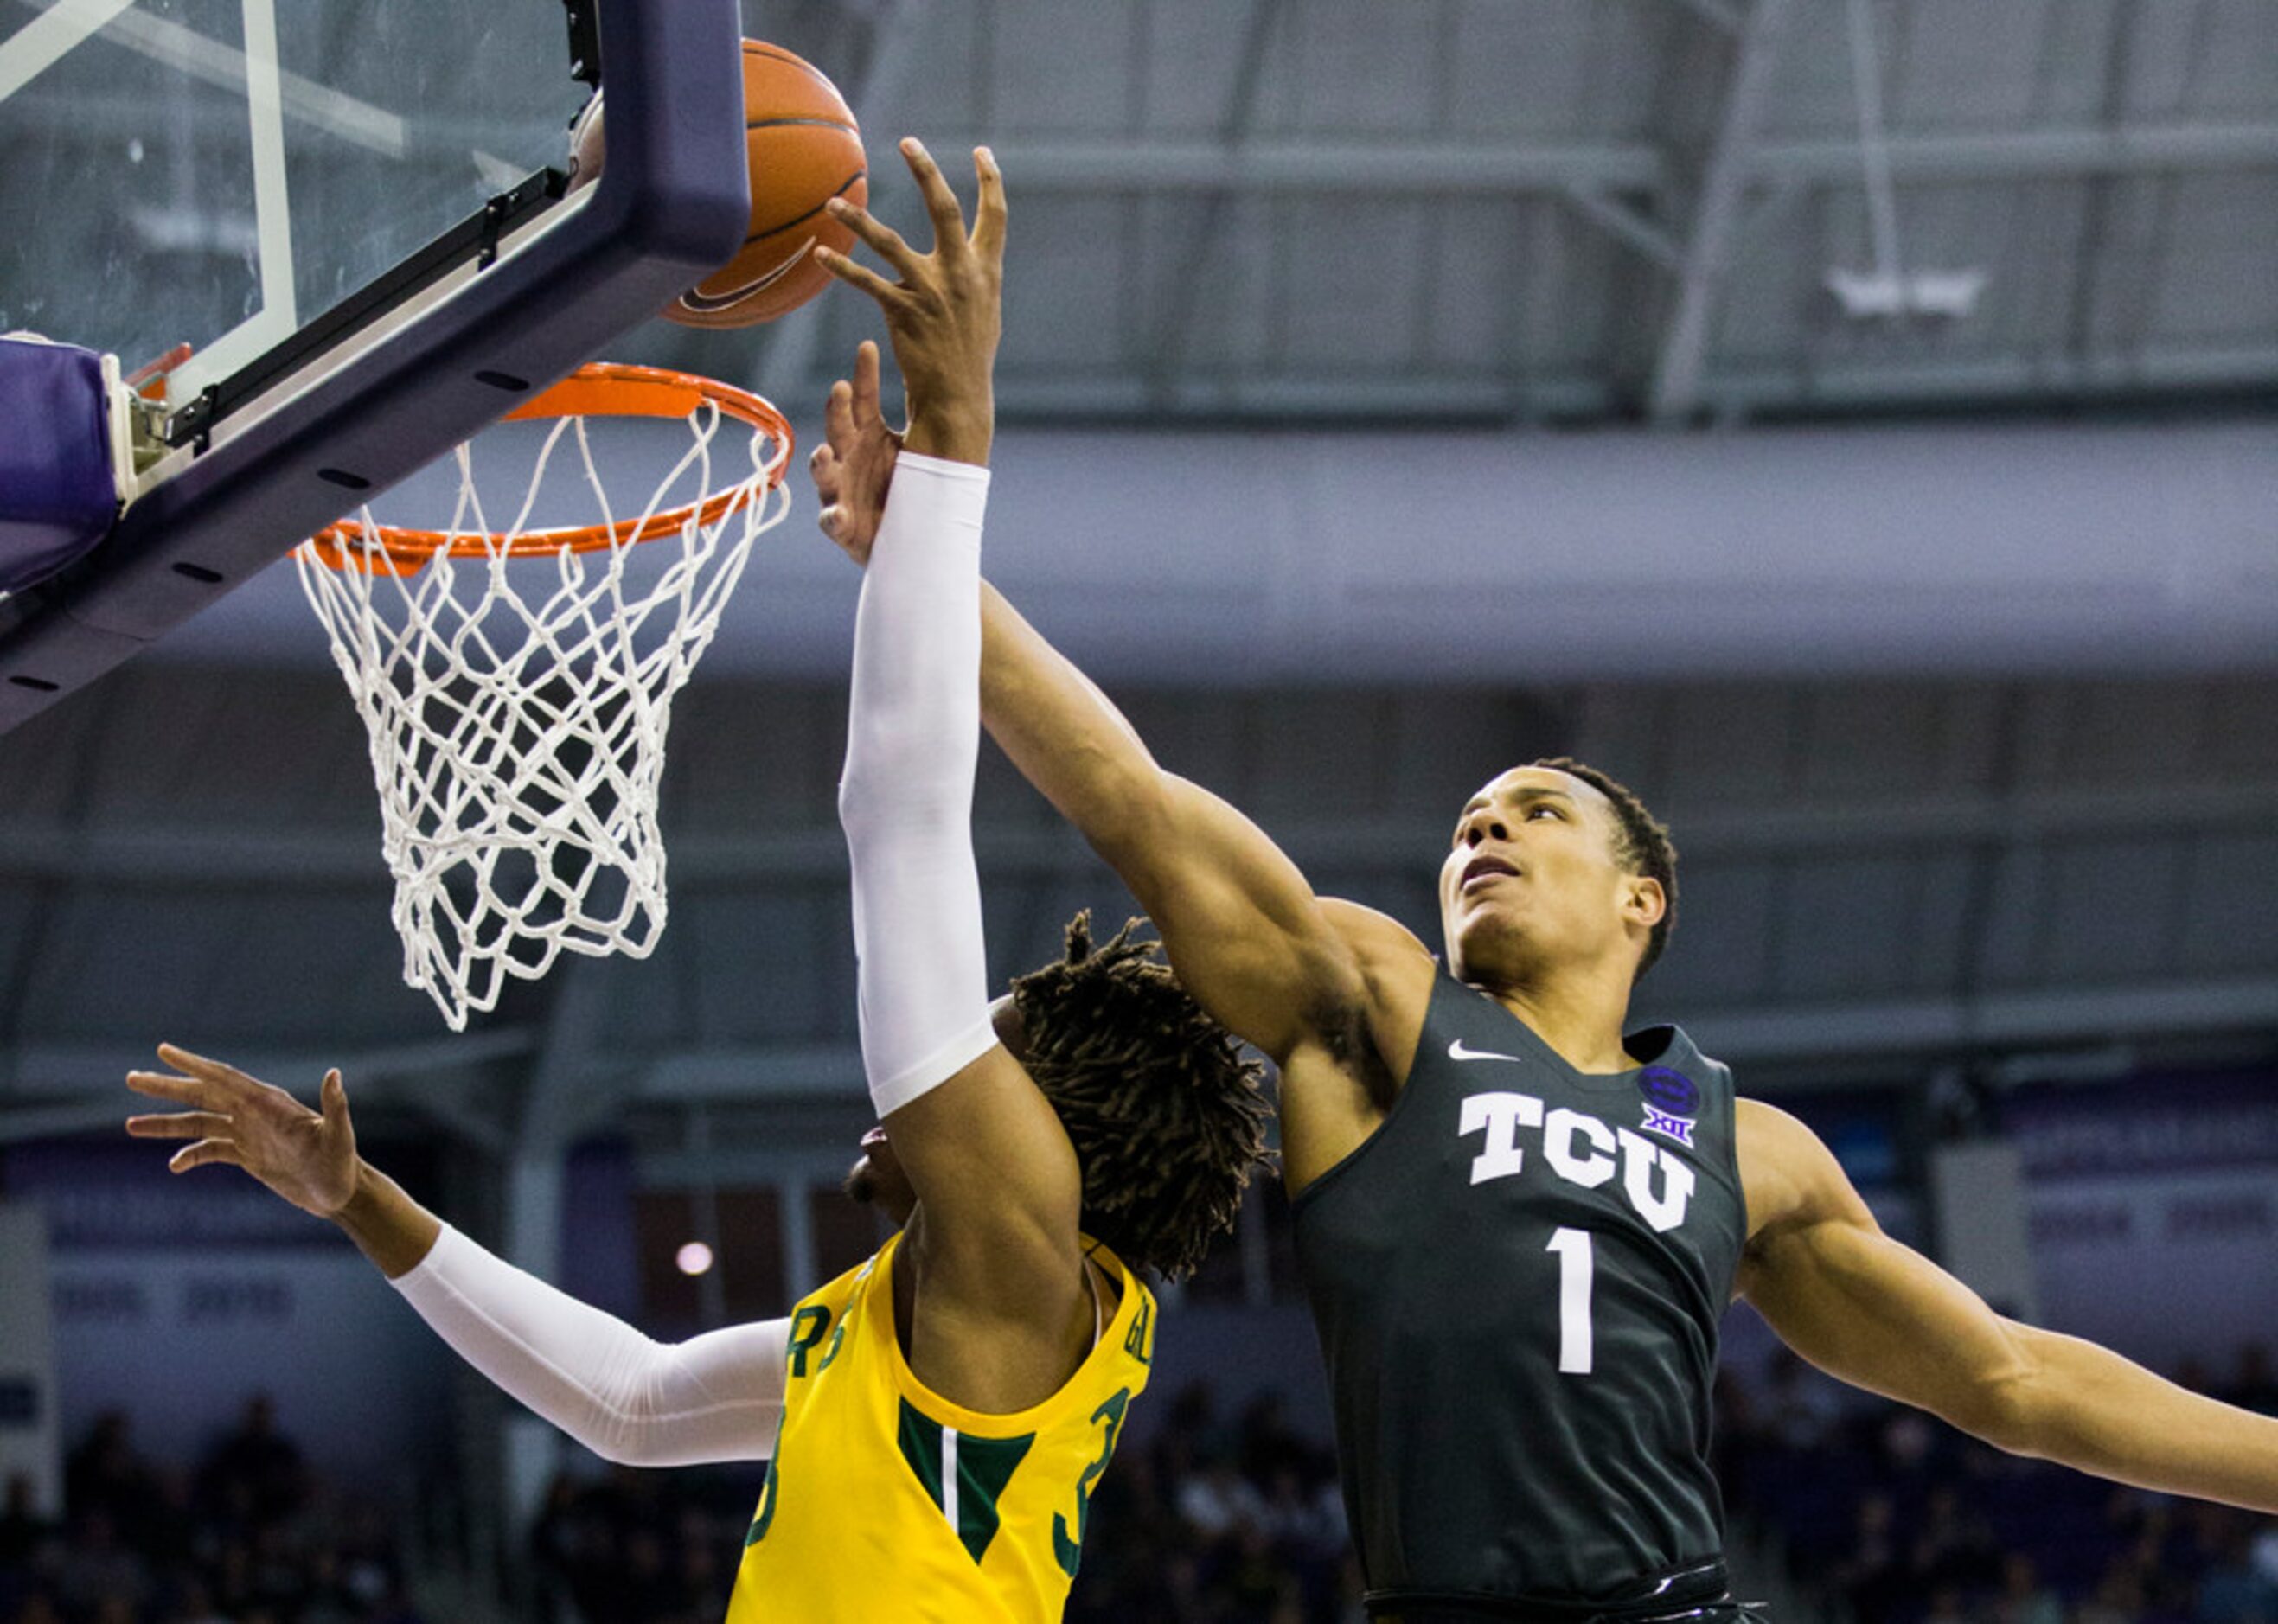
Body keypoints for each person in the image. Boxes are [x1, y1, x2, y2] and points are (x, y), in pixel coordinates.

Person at [808, 148, 2278, 1623]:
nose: (1481, 833)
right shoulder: (1374, 1014)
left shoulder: (1750, 1149)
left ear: (1643, 898)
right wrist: (917, 561)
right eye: (1463, 823)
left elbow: (2013, 1380)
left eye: (1536, 810)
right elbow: (1131, 799)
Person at [124, 139, 1270, 1624]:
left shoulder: (1018, 1252)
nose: (937, 1069)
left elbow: (903, 820)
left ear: (1044, 1132)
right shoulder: (936, 1306)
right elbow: (634, 1402)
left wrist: (956, 440)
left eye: (986, 1045)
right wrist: (360, 1201)